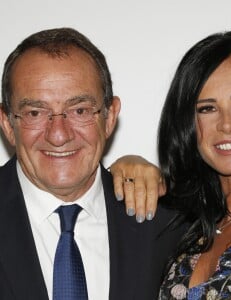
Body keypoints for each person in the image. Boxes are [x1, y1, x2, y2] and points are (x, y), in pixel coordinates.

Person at [0, 27, 187, 300]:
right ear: (7, 123)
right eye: (35, 112)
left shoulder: (169, 224)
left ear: (110, 117)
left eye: (80, 110)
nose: (59, 134)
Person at [110, 30, 231, 299]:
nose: (226, 124)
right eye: (207, 108)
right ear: (187, 124)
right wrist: (125, 167)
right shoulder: (179, 223)